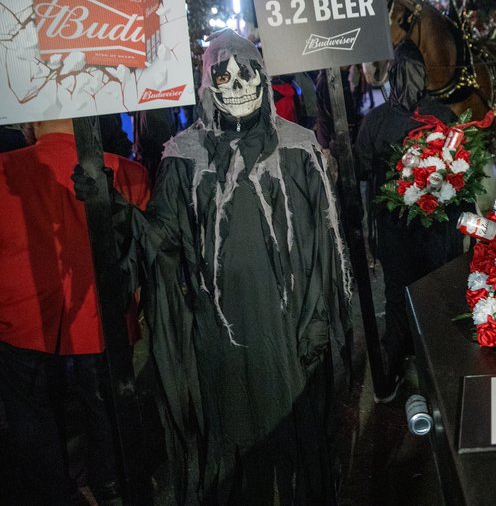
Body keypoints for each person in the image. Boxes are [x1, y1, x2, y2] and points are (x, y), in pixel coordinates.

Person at [81, 30, 352, 504]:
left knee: (293, 446)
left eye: (249, 72)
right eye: (224, 75)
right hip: (221, 337)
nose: (239, 84)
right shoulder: (185, 156)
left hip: (286, 329)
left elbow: (326, 247)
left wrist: (319, 322)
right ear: (209, 84)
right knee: (233, 445)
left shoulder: (298, 148)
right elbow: (161, 238)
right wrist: (113, 208)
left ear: (263, 78)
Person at [0, 118, 150, 505]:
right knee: (103, 405)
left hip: (22, 315)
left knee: (31, 413)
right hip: (100, 318)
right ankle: (109, 484)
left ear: (33, 122)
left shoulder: (6, 171)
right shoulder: (128, 172)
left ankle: (53, 491)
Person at [355, 40, 465, 402]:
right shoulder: (444, 116)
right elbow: (464, 171)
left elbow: (361, 168)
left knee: (399, 294)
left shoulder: (376, 120)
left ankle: (397, 365)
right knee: (435, 292)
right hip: (434, 231)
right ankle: (438, 361)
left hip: (396, 230)